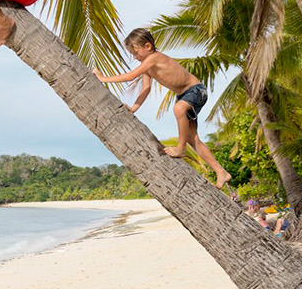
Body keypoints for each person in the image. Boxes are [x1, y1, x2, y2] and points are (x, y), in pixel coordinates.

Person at [97, 27, 232, 188]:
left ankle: (180, 148)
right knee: (192, 138)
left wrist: (103, 79)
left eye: (136, 52)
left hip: (195, 90)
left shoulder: (154, 58)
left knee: (179, 109)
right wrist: (133, 108)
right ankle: (221, 172)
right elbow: (145, 89)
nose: (135, 57)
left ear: (148, 47)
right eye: (132, 54)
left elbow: (130, 76)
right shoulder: (148, 68)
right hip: (183, 96)